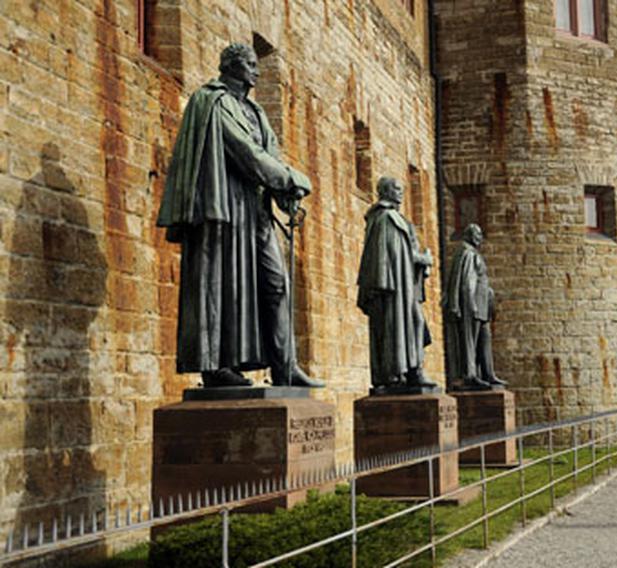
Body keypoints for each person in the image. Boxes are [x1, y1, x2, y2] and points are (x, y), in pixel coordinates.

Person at [156, 43, 323, 388]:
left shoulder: (257, 112)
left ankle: (284, 367)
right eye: (249, 64)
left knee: (275, 283)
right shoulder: (215, 102)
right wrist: (292, 178)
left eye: (255, 65)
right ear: (231, 67)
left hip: (254, 212)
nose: (257, 71)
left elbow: (268, 152)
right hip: (222, 209)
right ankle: (217, 367)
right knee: (222, 285)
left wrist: (284, 193)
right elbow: (247, 154)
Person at [356, 176, 438, 393]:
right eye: (396, 189)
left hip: (403, 286)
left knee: (415, 323)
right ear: (384, 191)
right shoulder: (386, 218)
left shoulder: (393, 218)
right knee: (403, 324)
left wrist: (419, 261)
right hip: (392, 288)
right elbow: (396, 255)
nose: (400, 192)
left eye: (402, 189)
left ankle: (413, 370)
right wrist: (423, 259)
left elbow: (401, 255)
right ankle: (399, 373)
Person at [442, 224, 507, 390]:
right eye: (477, 234)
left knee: (485, 339)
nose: (480, 237)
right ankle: (469, 375)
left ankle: (488, 373)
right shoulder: (467, 253)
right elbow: (466, 282)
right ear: (469, 235)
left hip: (481, 305)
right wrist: (470, 305)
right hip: (472, 305)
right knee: (469, 341)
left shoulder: (471, 253)